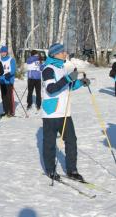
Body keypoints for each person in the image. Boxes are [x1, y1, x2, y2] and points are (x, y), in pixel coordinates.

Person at [41, 43, 90, 181]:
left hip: (65, 112)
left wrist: (81, 82)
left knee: (71, 141)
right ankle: (50, 170)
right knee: (50, 143)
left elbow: (68, 86)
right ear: (54, 54)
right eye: (62, 52)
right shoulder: (48, 69)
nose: (65, 53)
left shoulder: (61, 68)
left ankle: (72, 170)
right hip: (51, 113)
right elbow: (51, 88)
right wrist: (68, 78)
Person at [0, 46, 17, 117]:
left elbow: (13, 70)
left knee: (9, 96)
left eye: (4, 52)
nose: (3, 53)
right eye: (2, 52)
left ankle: (11, 111)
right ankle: (5, 111)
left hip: (9, 81)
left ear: (6, 52)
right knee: (4, 97)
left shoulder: (11, 59)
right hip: (2, 81)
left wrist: (9, 74)